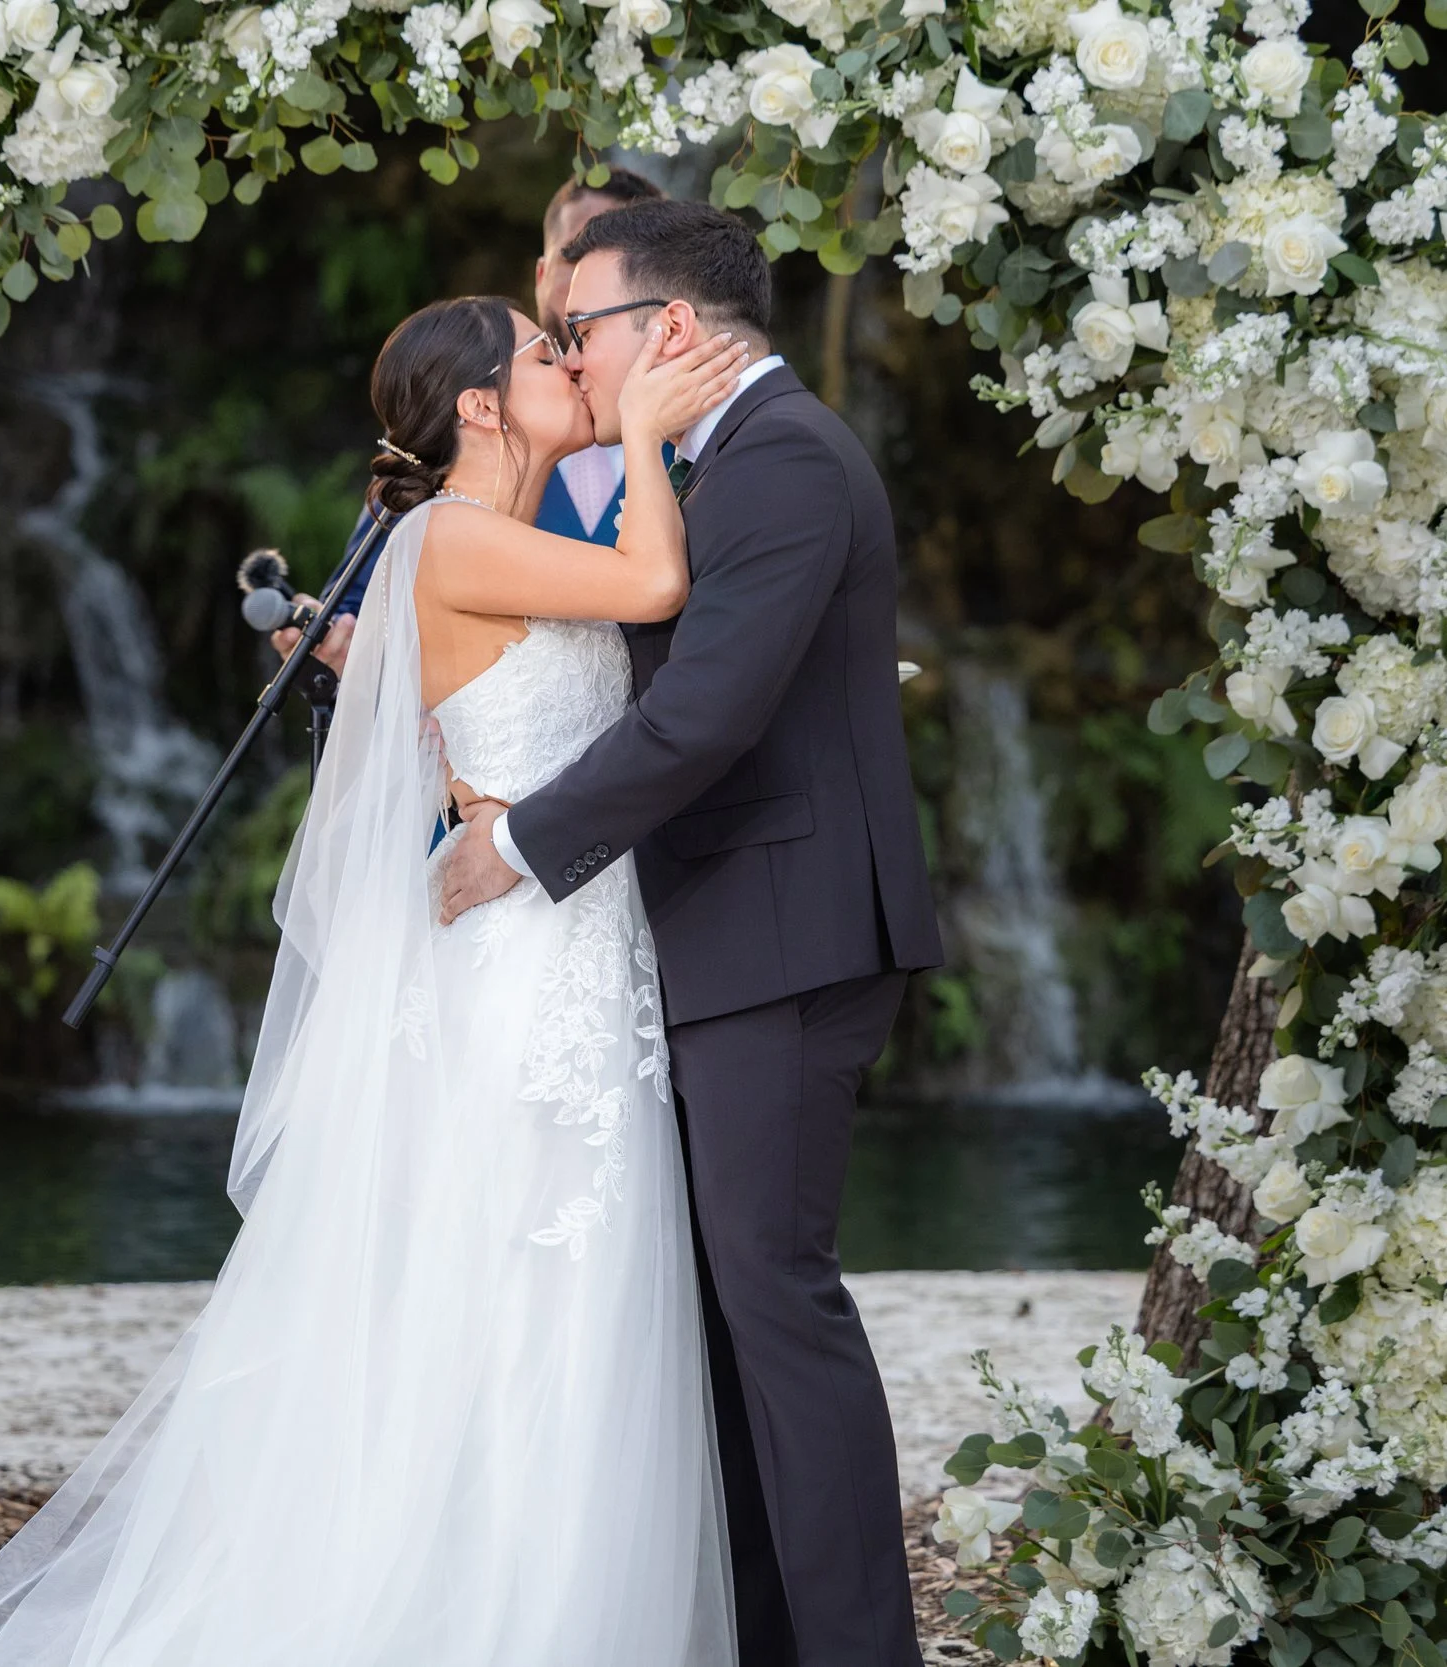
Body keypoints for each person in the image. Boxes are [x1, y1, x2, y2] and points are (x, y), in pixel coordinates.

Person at [0, 297, 752, 1665]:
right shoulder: (456, 533)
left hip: (577, 952)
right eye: (544, 353)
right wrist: (648, 429)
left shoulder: (492, 542)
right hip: (527, 979)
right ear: (479, 407)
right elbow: (656, 587)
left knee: (568, 1299)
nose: (572, 365)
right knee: (526, 1293)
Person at [437, 198, 946, 1667]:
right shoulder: (716, 462)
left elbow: (705, 714)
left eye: (578, 328)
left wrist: (521, 847)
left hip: (784, 940)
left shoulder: (783, 461)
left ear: (669, 329)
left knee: (778, 1307)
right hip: (725, 938)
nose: (568, 358)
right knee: (732, 1321)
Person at [273, 165, 664, 673]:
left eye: (622, 262)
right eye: (579, 255)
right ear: (543, 275)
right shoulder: (443, 489)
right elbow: (359, 616)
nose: (597, 277)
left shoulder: (692, 426)